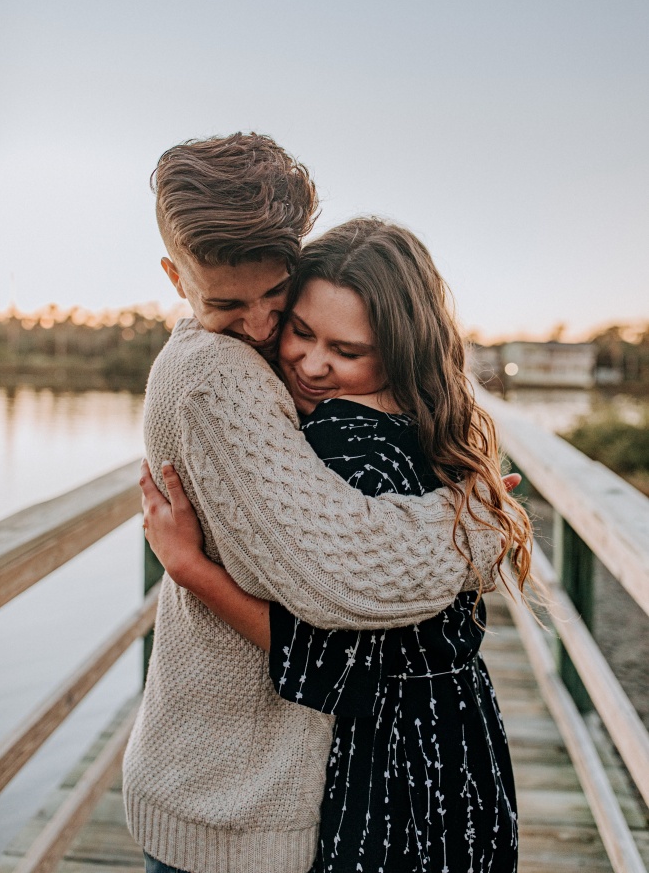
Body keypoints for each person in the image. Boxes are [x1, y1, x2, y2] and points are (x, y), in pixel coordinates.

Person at [122, 133, 527, 873]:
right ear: (175, 277)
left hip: (337, 794)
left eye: (276, 298)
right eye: (226, 303)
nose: (263, 330)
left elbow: (366, 633)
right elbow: (346, 580)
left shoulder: (362, 427)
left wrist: (192, 569)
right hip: (230, 805)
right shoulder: (217, 375)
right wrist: (478, 521)